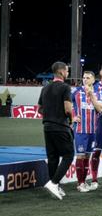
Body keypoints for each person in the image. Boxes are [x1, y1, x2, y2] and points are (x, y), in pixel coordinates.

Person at [38, 62, 74, 200]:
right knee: (68, 155)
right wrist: (71, 120)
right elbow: (67, 108)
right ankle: (53, 183)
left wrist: (51, 113)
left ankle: (55, 186)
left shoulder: (45, 88)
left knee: (53, 157)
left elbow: (39, 109)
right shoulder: (65, 87)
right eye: (67, 70)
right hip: (61, 126)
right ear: (61, 71)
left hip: (47, 127)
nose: (68, 73)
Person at [71, 71, 102, 192]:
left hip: (93, 131)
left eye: (88, 78)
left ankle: (84, 181)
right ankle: (80, 184)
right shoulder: (76, 92)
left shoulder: (97, 93)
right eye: (84, 78)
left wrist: (92, 96)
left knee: (87, 156)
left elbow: (100, 109)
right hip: (80, 130)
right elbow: (66, 104)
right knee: (80, 156)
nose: (85, 80)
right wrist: (71, 117)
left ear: (93, 80)